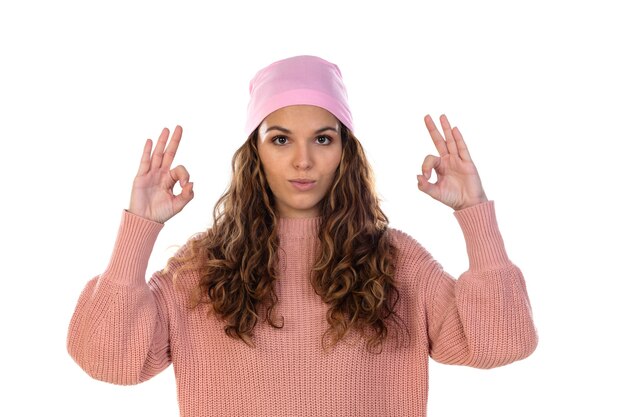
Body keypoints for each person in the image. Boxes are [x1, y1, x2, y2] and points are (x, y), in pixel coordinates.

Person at [67, 55, 537, 417]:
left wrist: (475, 213)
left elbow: (503, 342)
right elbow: (109, 361)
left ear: (345, 151)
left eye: (323, 138)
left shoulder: (396, 260)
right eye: (280, 138)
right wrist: (139, 230)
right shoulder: (203, 266)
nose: (303, 161)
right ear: (255, 151)